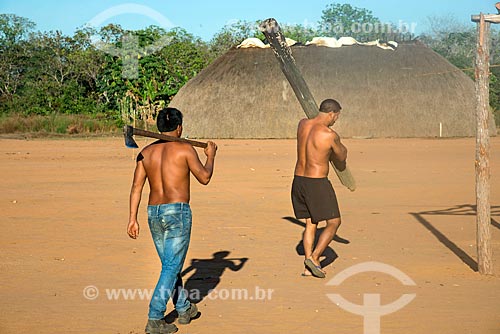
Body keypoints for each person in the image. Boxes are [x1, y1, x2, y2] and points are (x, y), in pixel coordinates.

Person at [127, 107, 217, 334]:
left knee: (171, 265)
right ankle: (155, 317)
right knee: (170, 266)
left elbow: (136, 187)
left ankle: (184, 308)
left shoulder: (145, 153)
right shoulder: (185, 149)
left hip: (153, 213)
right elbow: (204, 178)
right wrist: (211, 156)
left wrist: (132, 219)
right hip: (177, 212)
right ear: (179, 128)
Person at [291, 99, 347, 278]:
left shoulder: (302, 124)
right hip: (317, 183)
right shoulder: (329, 134)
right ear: (332, 114)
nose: (335, 120)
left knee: (310, 222)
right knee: (334, 222)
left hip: (299, 180)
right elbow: (341, 156)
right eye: (336, 117)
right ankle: (314, 258)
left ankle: (308, 268)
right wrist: (338, 144)